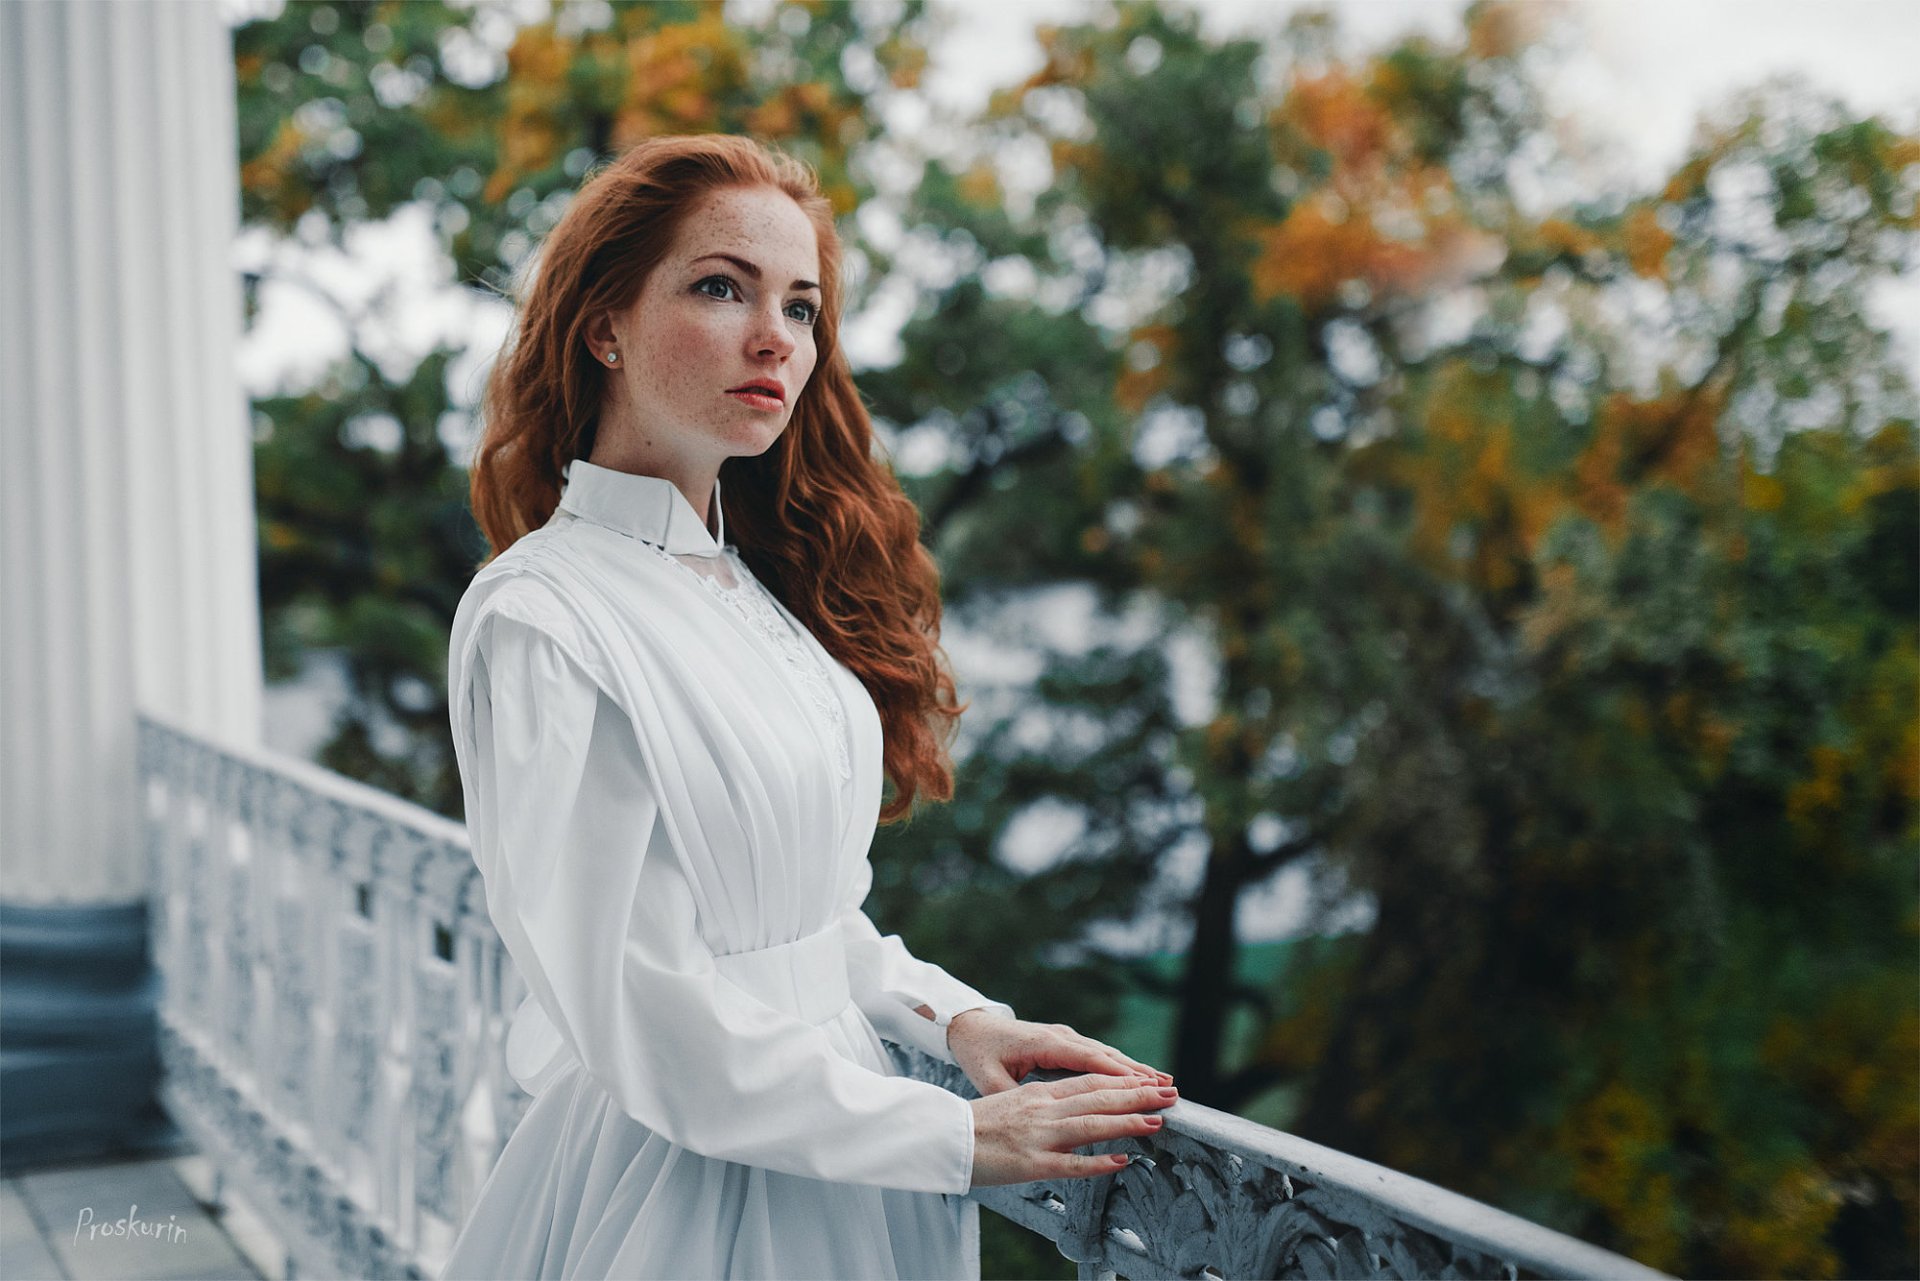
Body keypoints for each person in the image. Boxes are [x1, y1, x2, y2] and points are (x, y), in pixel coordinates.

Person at [439, 133, 1177, 1281]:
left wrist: (953, 1021)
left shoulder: (744, 588)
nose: (775, 336)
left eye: (800, 305)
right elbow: (638, 1002)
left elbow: (798, 929)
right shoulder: (544, 615)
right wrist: (949, 1137)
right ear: (604, 325)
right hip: (693, 1190)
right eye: (719, 288)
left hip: (851, 1158)